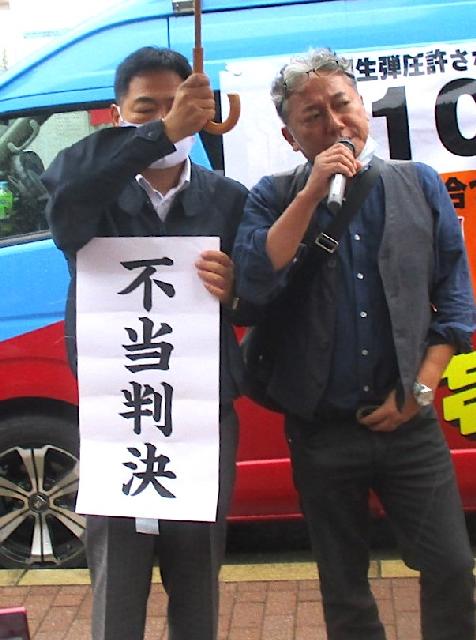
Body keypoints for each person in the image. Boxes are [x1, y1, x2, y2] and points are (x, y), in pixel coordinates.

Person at [233, 47, 476, 640]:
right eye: (312, 116)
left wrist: (420, 390)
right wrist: (312, 193)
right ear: (291, 137)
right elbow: (254, 280)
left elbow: (455, 301)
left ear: (364, 107)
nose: (334, 122)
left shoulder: (418, 183)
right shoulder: (271, 195)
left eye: (341, 104)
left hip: (409, 423)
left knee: (450, 565)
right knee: (344, 586)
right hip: (321, 429)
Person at [42, 46, 249, 640]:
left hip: (201, 419)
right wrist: (158, 135)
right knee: (118, 585)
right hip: (120, 415)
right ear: (117, 115)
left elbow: (263, 297)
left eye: (177, 105)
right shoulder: (91, 191)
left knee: (198, 579)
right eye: (146, 108)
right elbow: (64, 207)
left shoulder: (228, 198)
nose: (166, 118)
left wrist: (237, 291)